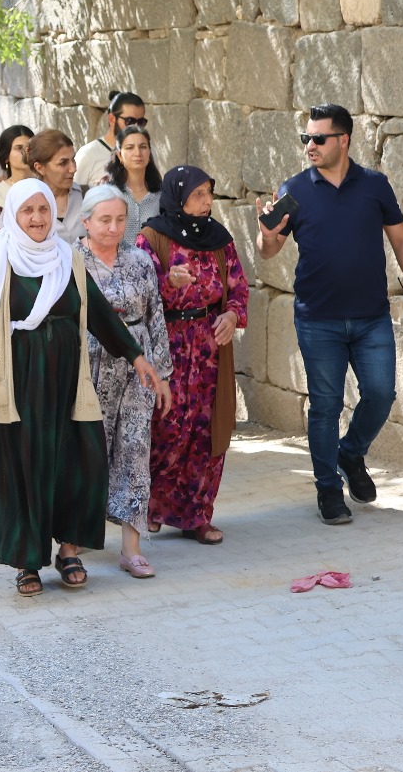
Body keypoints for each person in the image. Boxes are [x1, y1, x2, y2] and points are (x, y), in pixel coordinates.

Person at [0, 180, 166, 596]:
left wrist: (137, 357)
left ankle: (69, 549)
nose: (38, 219)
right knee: (23, 468)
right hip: (17, 381)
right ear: (13, 215)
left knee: (79, 462)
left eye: (44, 210)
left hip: (67, 381)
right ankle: (27, 560)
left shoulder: (67, 258)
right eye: (28, 211)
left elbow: (99, 312)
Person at [257, 104, 403, 524]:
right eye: (306, 139)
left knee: (380, 394)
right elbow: (270, 251)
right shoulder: (294, 190)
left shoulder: (374, 185)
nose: (310, 146)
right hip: (317, 318)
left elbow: (401, 239)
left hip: (371, 317)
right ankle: (327, 489)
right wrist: (267, 237)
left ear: (344, 140)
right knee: (325, 404)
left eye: (318, 138)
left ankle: (350, 453)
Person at [137, 166, 247, 544]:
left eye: (209, 193)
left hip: (210, 348)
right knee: (166, 427)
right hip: (167, 344)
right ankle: (152, 506)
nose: (207, 202)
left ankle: (197, 515)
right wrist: (168, 282)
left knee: (205, 431)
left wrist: (232, 314)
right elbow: (138, 293)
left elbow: (238, 286)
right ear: (177, 196)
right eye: (198, 195)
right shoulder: (152, 237)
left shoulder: (219, 239)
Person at [78, 184, 174, 576]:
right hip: (88, 366)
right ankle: (76, 535)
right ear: (85, 221)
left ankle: (131, 548)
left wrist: (163, 375)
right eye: (104, 220)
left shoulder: (140, 260)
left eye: (120, 219)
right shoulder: (69, 261)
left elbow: (156, 317)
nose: (114, 228)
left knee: (135, 450)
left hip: (138, 368)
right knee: (87, 449)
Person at [101, 125, 163, 246]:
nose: (137, 153)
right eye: (130, 148)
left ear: (149, 152)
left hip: (153, 263)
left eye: (143, 147)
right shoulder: (109, 193)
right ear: (119, 155)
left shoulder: (161, 194)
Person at [75, 91, 146, 188]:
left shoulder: (147, 152)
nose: (135, 127)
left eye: (141, 122)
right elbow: (74, 197)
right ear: (112, 119)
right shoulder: (88, 155)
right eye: (130, 121)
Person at [26, 130, 84, 242]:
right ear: (40, 168)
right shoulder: (23, 203)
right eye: (63, 163)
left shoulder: (88, 195)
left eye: (73, 160)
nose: (73, 169)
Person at [0, 125, 36, 206]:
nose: (26, 152)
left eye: (29, 147)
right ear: (6, 157)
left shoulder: (45, 187)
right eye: (19, 148)